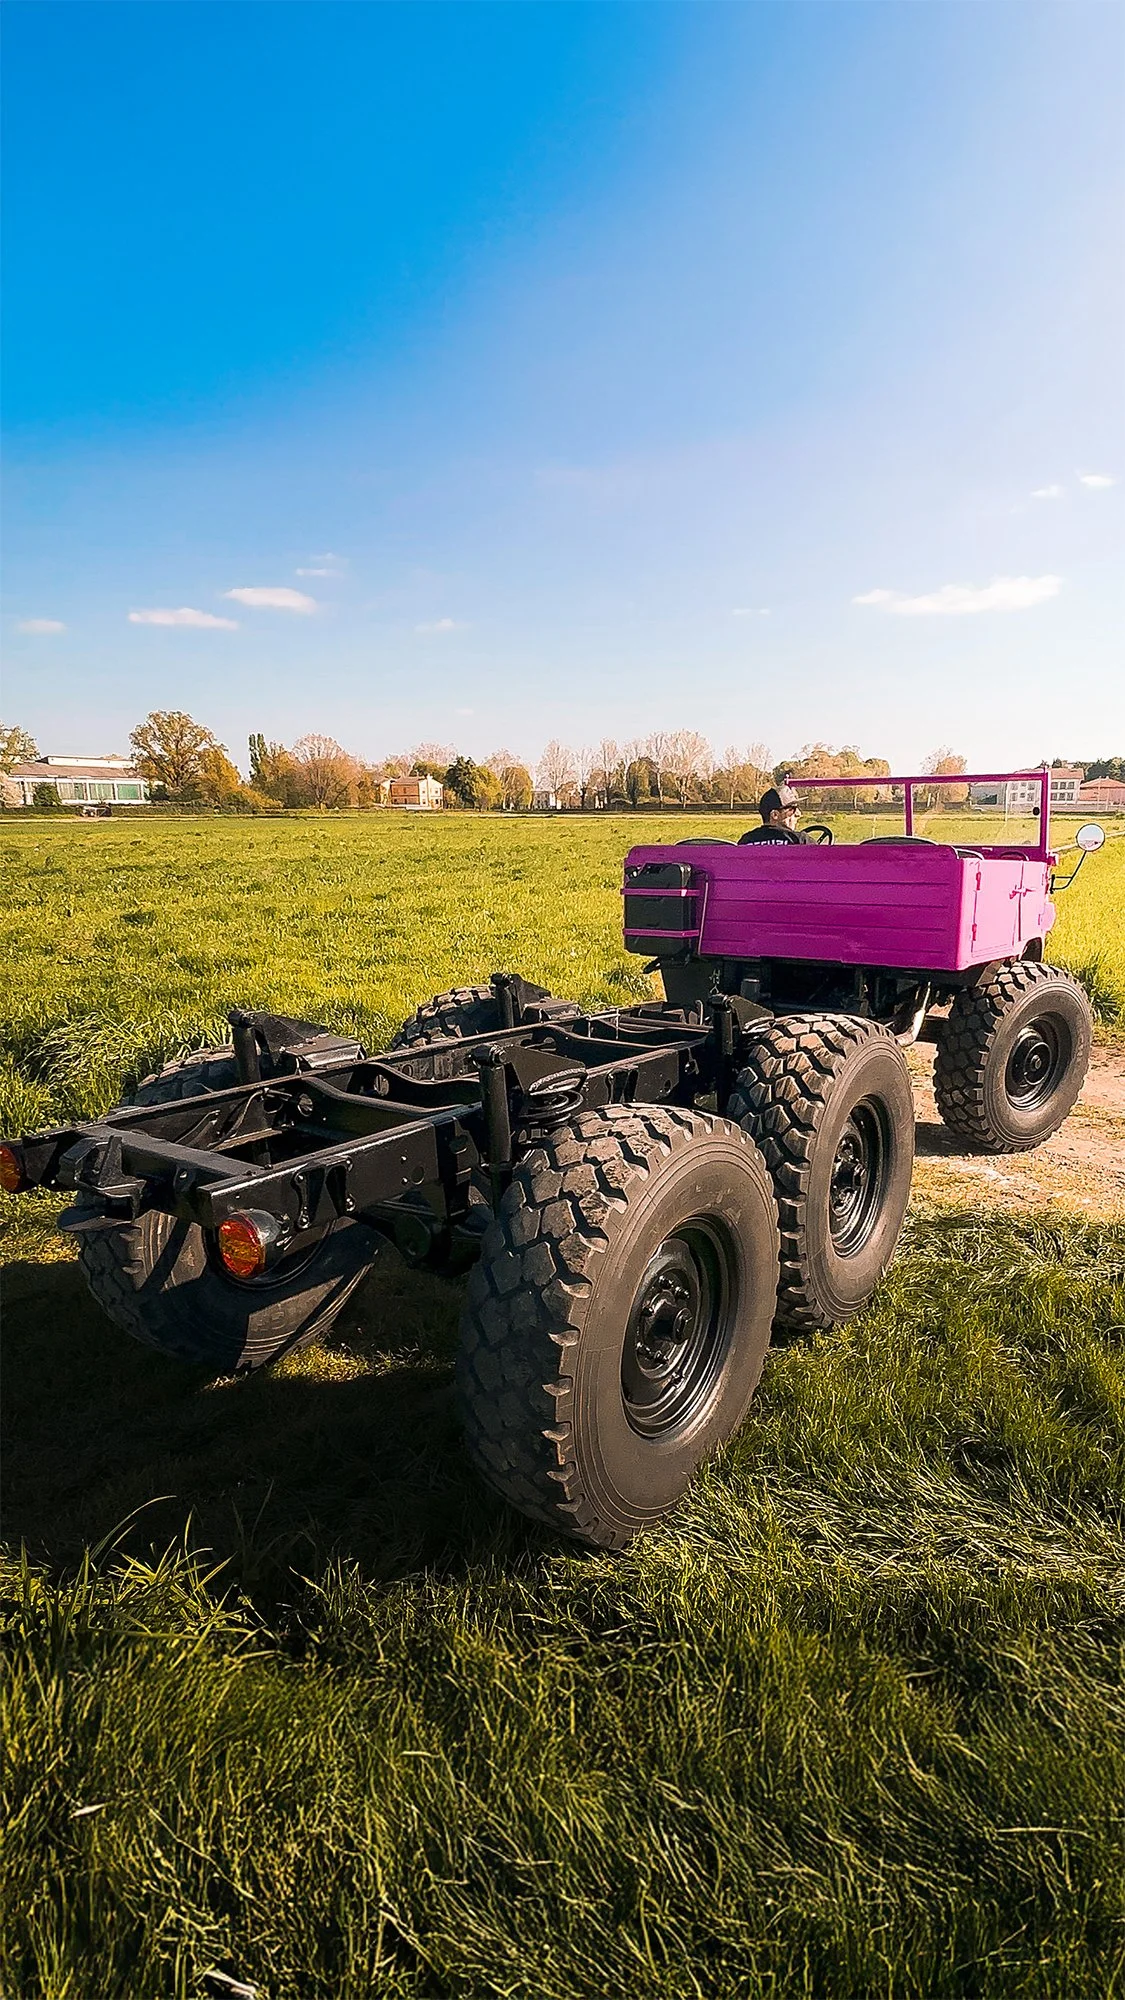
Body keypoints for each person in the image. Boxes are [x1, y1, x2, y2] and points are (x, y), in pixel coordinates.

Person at [738, 783, 806, 845]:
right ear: (775, 815)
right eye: (792, 810)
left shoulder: (746, 841)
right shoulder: (801, 841)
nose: (798, 814)